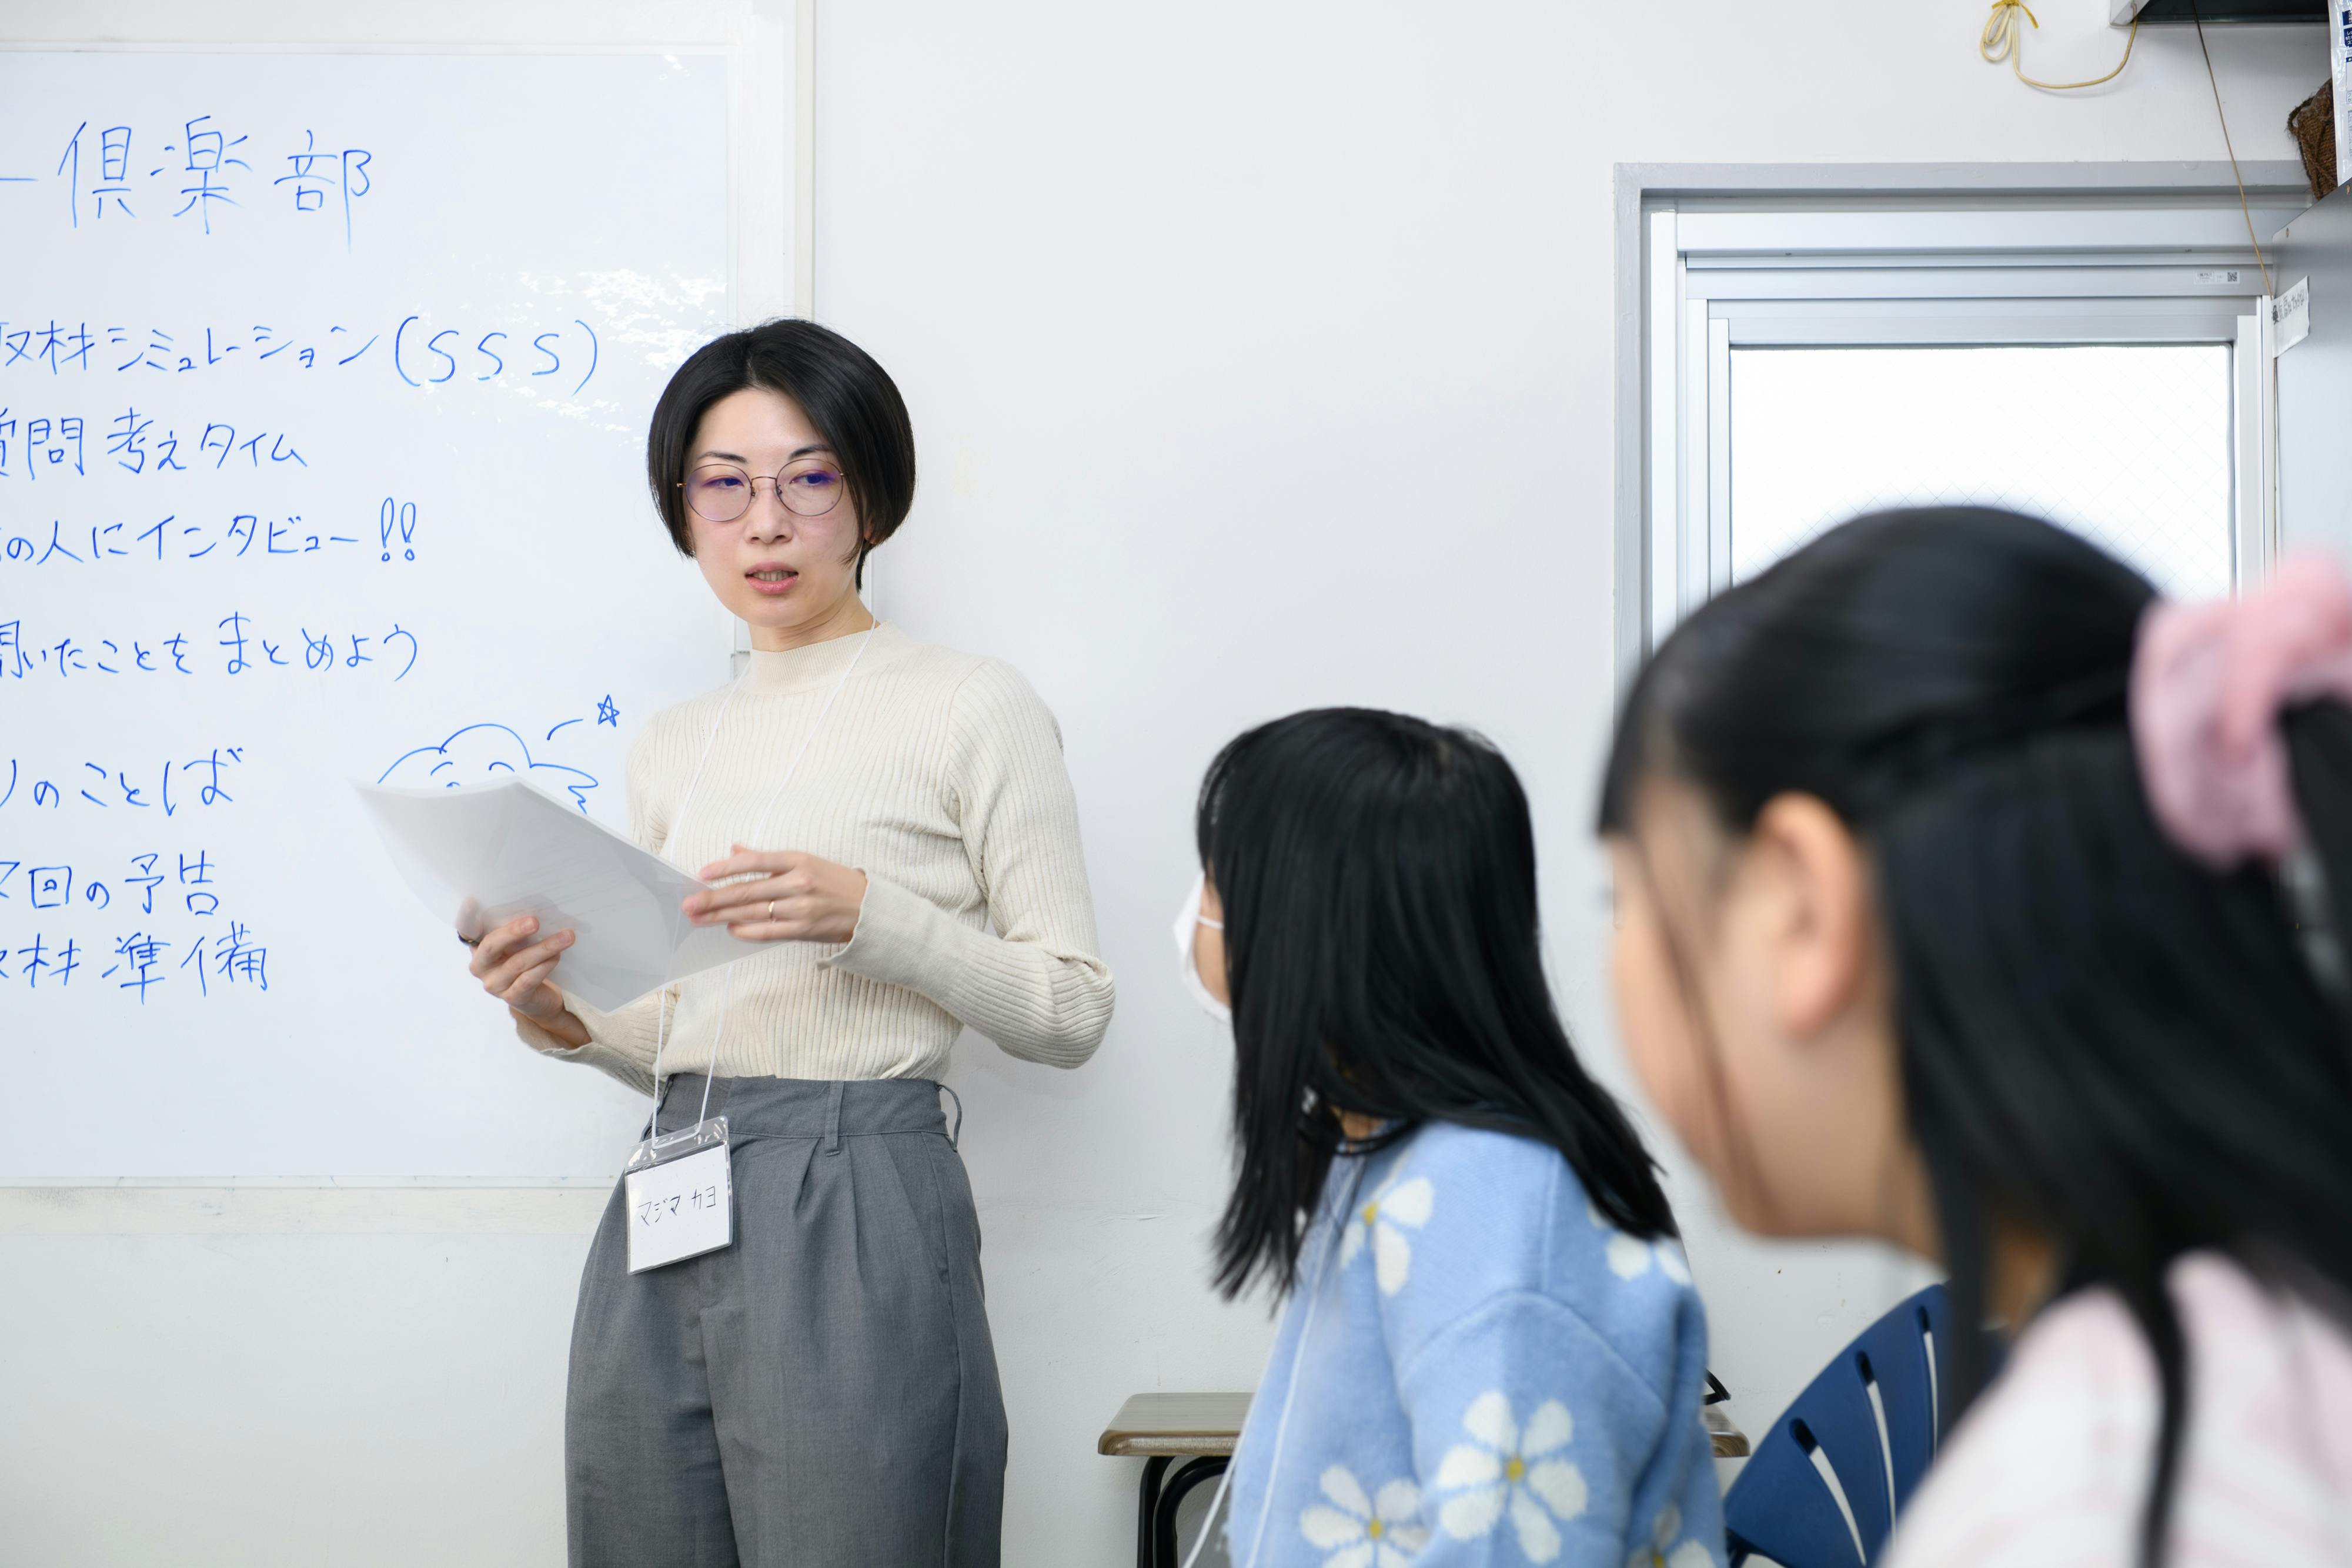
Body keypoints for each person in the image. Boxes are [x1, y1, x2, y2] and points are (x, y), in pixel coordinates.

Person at [459, 318, 1115, 1567]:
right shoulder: (673, 740)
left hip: (860, 1187)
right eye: (724, 485)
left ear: (870, 497)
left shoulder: (970, 703)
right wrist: (559, 1014)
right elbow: (686, 1030)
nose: (764, 523)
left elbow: (1073, 1008)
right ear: (684, 507)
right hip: (672, 1177)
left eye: (807, 479)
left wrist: (872, 917)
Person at [1598, 507, 2352, 1568]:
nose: (1618, 960)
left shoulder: (2082, 1502)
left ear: (1800, 907)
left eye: (1625, 898)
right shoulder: (2273, 1336)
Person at [1180, 708, 1725, 1568]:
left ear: (1307, 921)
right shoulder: (1390, 1151)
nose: (1199, 912)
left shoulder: (1498, 1207)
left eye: (1216, 881)